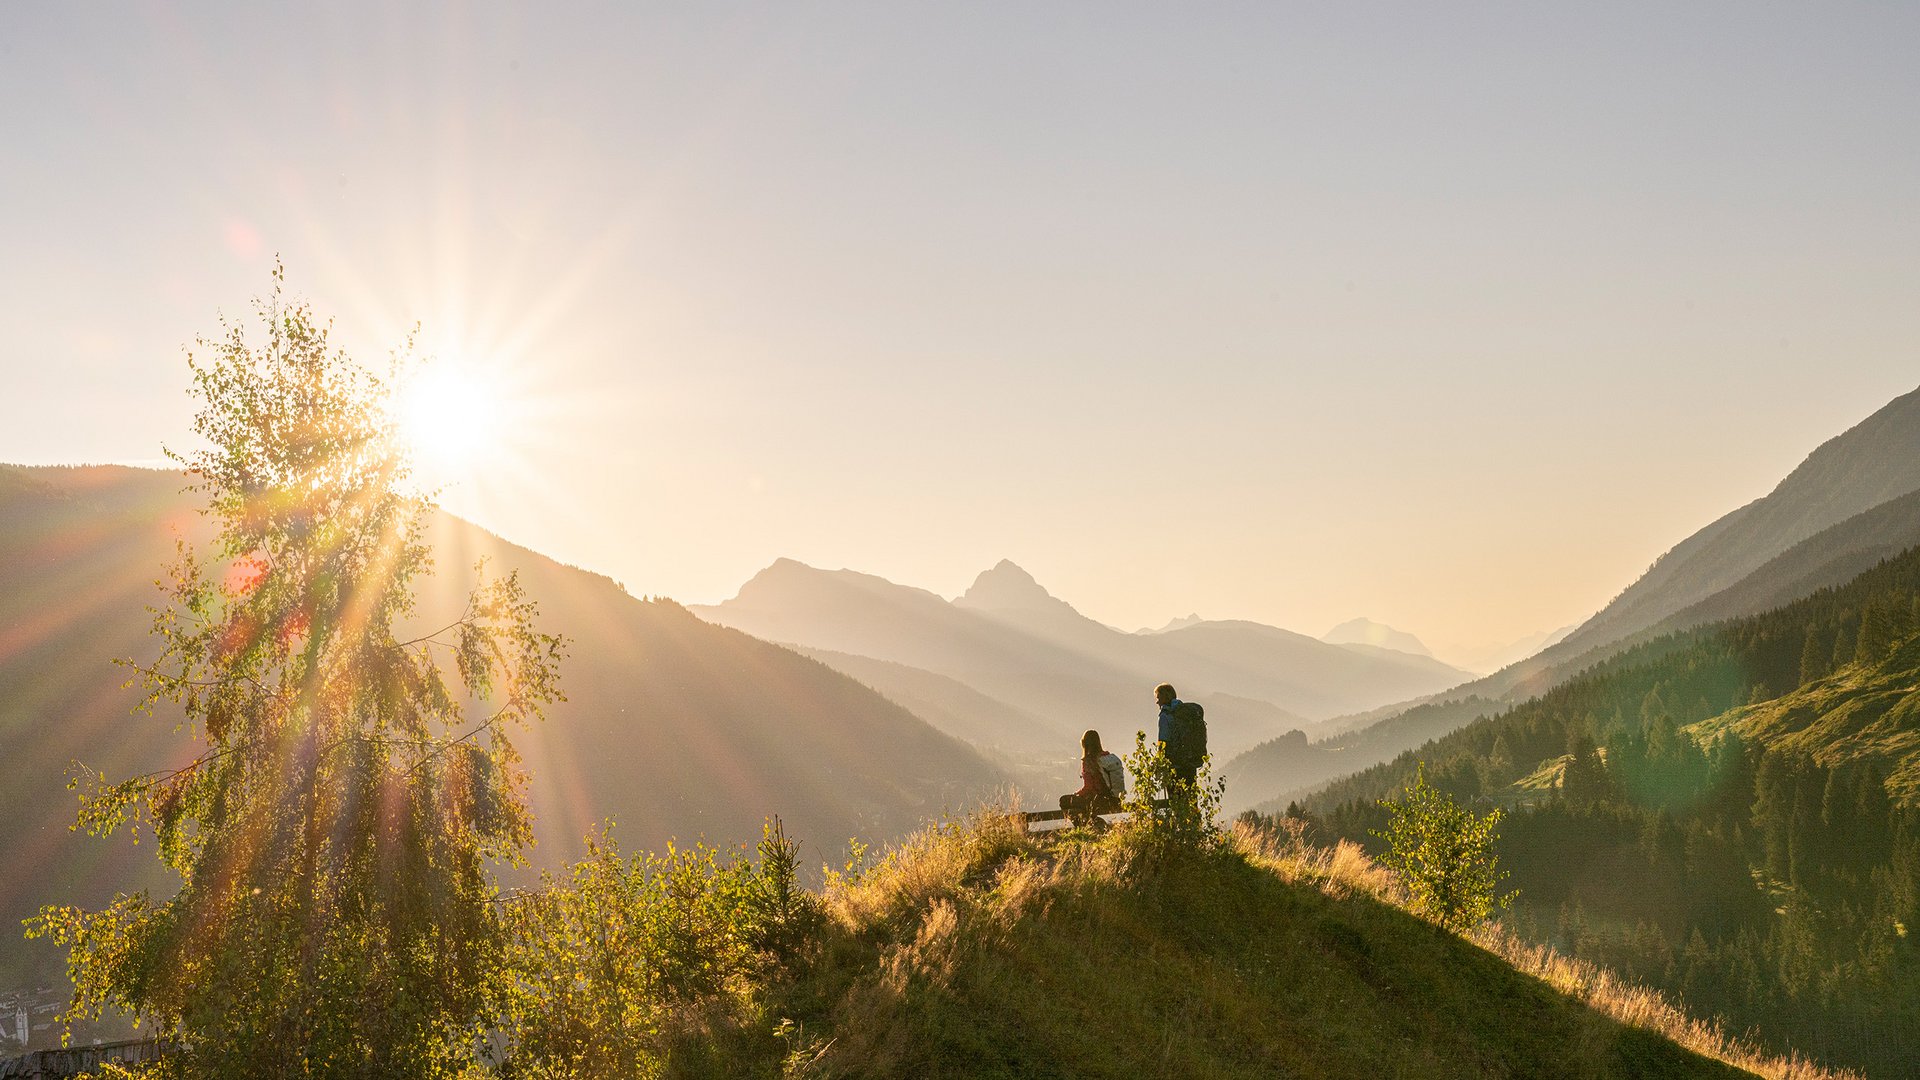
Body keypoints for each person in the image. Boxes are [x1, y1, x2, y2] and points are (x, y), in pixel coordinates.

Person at [1059, 729, 1123, 825]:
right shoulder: (1108, 757)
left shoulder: (1089, 761)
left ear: (1084, 744)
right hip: (1113, 801)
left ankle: (1084, 827)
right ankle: (1093, 823)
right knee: (1079, 807)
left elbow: (1088, 788)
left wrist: (1076, 794)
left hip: (1097, 802)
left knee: (1064, 800)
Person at [1155, 682, 1200, 786]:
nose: (1157, 702)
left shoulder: (1165, 715)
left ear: (1165, 697)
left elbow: (1163, 741)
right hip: (1190, 762)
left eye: (1158, 698)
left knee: (1175, 796)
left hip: (1174, 763)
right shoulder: (1185, 712)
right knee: (1190, 796)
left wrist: (1160, 764)